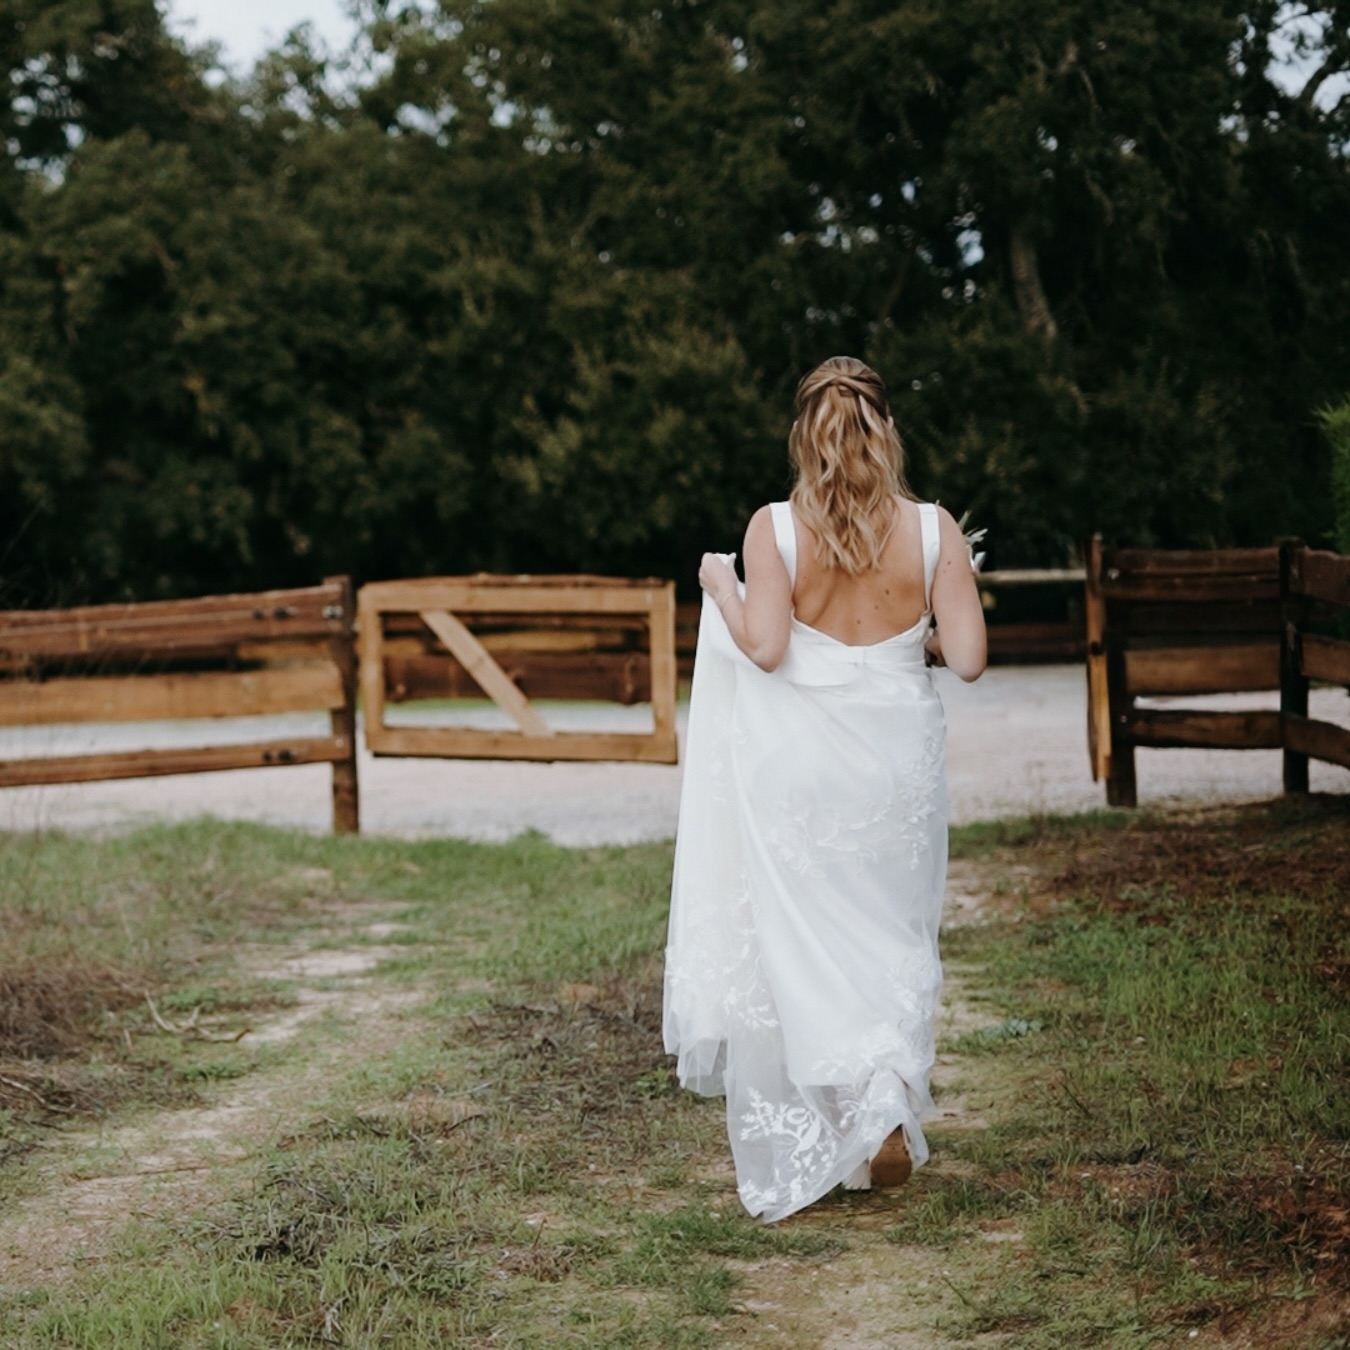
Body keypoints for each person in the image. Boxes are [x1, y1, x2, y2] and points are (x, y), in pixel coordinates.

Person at [662, 355, 986, 1223]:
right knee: (890, 926)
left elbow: (765, 649)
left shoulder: (773, 529)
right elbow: (969, 657)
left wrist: (720, 587)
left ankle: (854, 1114)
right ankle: (882, 1095)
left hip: (800, 764)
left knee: (809, 936)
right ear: (887, 428)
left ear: (804, 435)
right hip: (895, 764)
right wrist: (923, 619)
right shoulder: (934, 530)